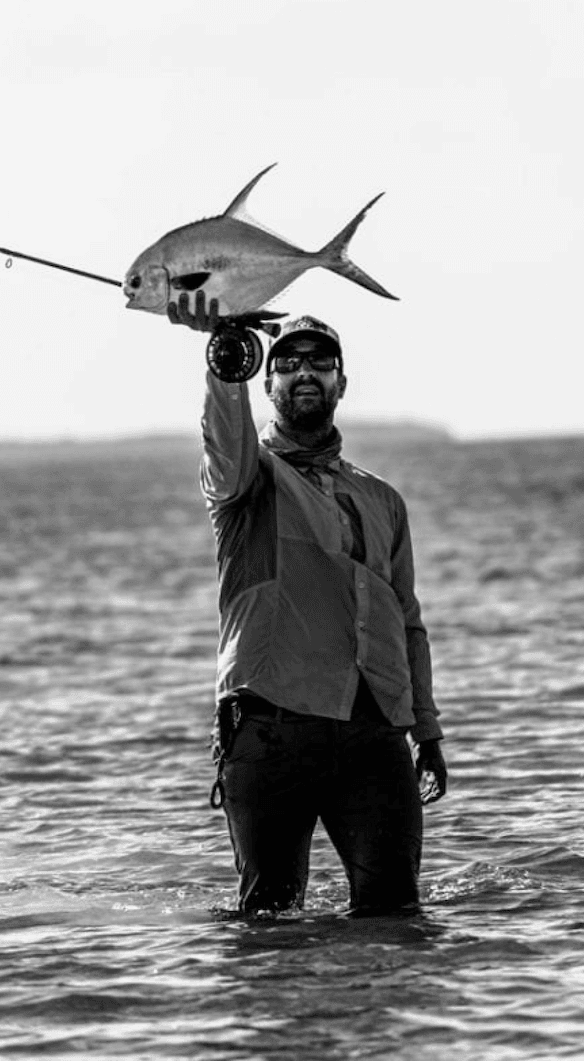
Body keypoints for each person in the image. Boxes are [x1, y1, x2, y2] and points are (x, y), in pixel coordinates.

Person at [167, 292, 447, 917]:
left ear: (341, 382)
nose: (305, 373)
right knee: (269, 918)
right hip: (270, 728)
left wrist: (425, 728)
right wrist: (224, 360)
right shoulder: (247, 481)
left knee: (397, 915)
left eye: (320, 362)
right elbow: (225, 442)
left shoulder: (382, 500)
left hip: (374, 732)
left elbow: (407, 620)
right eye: (289, 363)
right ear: (268, 383)